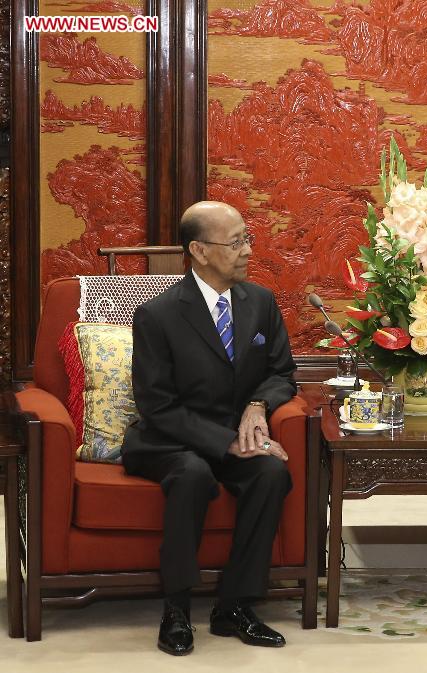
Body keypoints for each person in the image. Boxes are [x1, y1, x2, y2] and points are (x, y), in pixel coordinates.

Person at [122, 201, 297, 656]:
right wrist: (226, 442)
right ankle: (176, 608)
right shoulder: (158, 315)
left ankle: (234, 606)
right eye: (236, 242)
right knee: (193, 474)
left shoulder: (260, 302)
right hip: (171, 439)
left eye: (247, 239)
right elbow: (157, 406)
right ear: (198, 250)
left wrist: (257, 407)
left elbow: (282, 372)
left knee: (270, 473)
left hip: (235, 432)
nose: (248, 250)